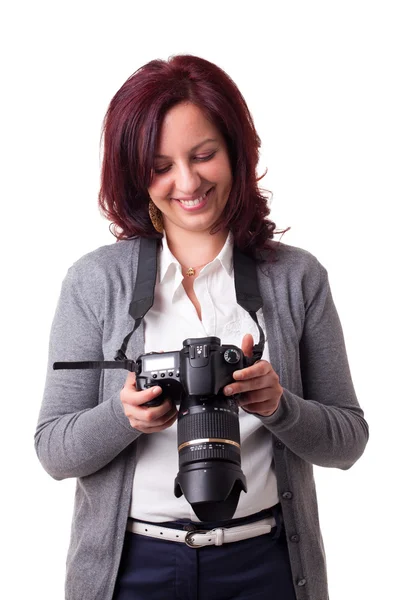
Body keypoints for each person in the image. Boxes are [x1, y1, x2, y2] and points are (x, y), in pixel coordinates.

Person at [35, 54, 369, 600]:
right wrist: (125, 417)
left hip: (265, 563)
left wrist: (277, 405)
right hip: (130, 569)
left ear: (237, 153)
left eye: (204, 155)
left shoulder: (296, 277)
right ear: (132, 173)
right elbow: (53, 451)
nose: (186, 182)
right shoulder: (95, 282)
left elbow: (348, 443)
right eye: (160, 165)